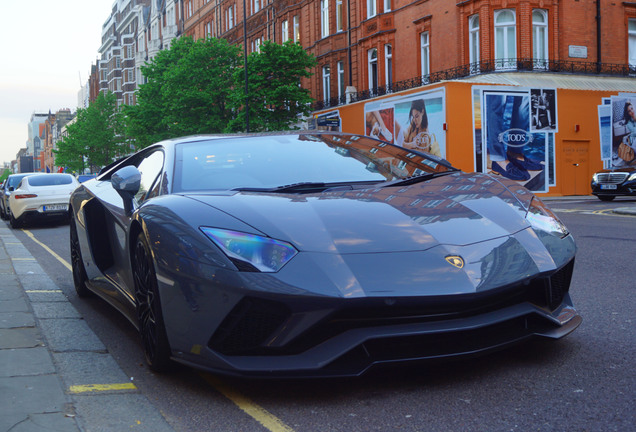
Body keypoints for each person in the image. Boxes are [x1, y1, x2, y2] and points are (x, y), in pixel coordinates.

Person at [616, 101, 636, 166]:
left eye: (632, 109)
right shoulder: (628, 123)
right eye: (629, 111)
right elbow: (634, 132)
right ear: (628, 113)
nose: (631, 112)